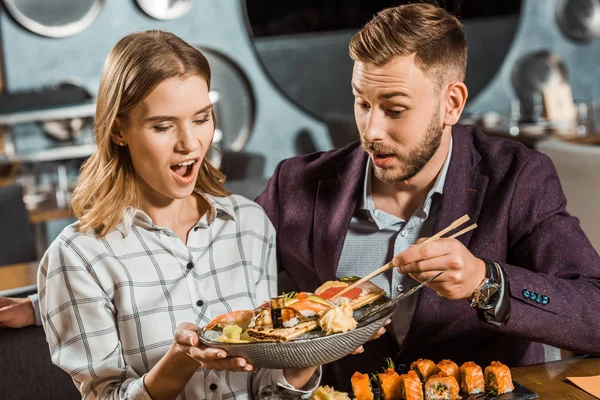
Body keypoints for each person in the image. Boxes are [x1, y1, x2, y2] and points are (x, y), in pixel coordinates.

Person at [255, 3, 600, 392]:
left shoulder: (516, 178)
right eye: (362, 103)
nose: (372, 131)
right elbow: (236, 297)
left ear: (451, 103)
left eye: (395, 109)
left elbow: (595, 313)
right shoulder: (297, 183)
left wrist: (488, 283)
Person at [36, 30, 319, 399]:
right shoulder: (78, 257)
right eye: (163, 126)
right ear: (119, 129)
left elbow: (269, 390)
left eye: (201, 118)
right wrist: (181, 360)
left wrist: (306, 360)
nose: (190, 142)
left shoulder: (250, 225)